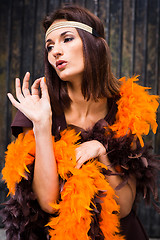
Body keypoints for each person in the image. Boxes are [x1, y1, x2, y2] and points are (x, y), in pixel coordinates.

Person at [1, 4, 159, 240]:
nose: (55, 51)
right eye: (50, 46)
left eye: (66, 39)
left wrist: (102, 153)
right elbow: (48, 202)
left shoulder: (128, 108)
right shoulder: (39, 106)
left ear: (94, 43)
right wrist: (42, 126)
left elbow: (123, 208)